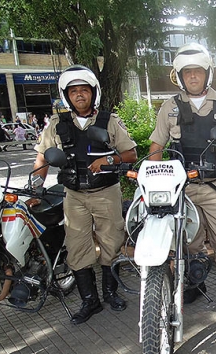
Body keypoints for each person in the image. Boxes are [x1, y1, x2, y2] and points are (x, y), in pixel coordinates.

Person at [29, 65, 137, 324]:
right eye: (74, 91)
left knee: (111, 243)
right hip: (74, 195)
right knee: (77, 247)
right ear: (67, 96)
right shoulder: (57, 124)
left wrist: (110, 159)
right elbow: (42, 158)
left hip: (106, 192)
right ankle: (90, 301)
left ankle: (110, 292)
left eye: (84, 91)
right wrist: (35, 190)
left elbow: (130, 153)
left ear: (93, 93)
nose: (79, 95)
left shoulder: (109, 120)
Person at [148, 43, 216, 305]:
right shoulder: (170, 107)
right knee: (190, 239)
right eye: (187, 73)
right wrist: (153, 178)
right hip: (183, 186)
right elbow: (156, 147)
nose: (193, 76)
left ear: (207, 73)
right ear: (180, 76)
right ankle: (196, 282)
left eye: (197, 71)